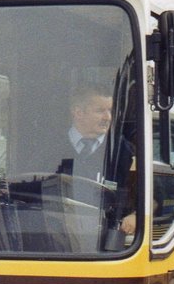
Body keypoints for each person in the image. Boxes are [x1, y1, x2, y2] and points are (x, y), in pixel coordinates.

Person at [51, 83, 137, 241]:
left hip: (107, 248)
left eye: (110, 111)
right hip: (56, 241)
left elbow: (155, 196)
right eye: (100, 111)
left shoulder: (124, 151)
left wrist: (136, 216)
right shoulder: (51, 148)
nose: (108, 118)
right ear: (78, 112)